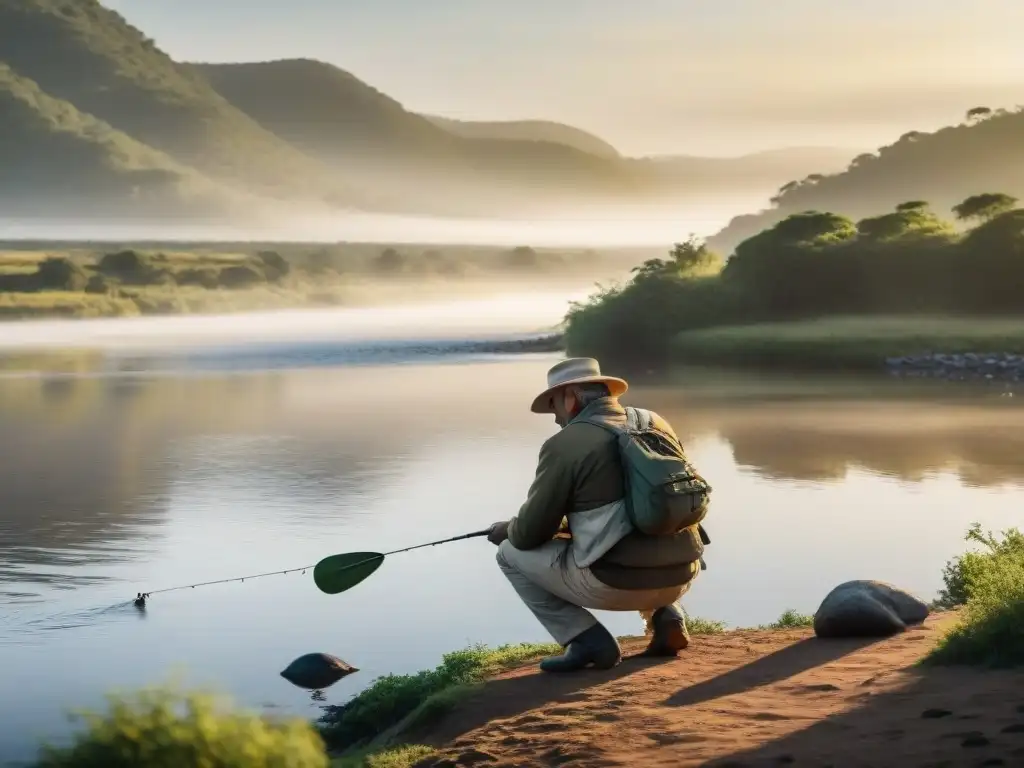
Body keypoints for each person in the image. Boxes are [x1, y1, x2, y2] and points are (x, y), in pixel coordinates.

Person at [488, 357, 708, 673]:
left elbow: (529, 533)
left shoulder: (565, 443)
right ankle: (667, 616)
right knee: (652, 525)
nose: (555, 419)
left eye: (554, 406)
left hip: (614, 583)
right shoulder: (655, 423)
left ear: (571, 397)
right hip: (684, 574)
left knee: (509, 553)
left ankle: (585, 641)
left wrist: (506, 529)